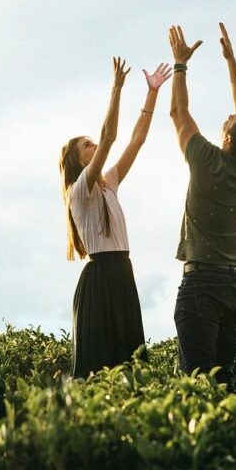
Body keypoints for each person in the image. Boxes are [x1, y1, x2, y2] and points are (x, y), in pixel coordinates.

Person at [168, 23, 236, 390]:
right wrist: (231, 61)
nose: (227, 115)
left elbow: (179, 112)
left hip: (203, 285)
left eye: (227, 121)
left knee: (197, 386)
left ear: (226, 138)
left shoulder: (207, 161)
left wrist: (180, 65)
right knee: (223, 383)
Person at [59, 56, 171, 377]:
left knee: (130, 366)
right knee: (99, 372)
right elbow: (109, 136)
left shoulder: (109, 184)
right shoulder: (80, 189)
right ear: (78, 161)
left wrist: (152, 93)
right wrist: (116, 89)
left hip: (122, 272)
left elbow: (137, 140)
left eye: (92, 143)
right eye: (87, 145)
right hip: (100, 280)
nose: (95, 146)